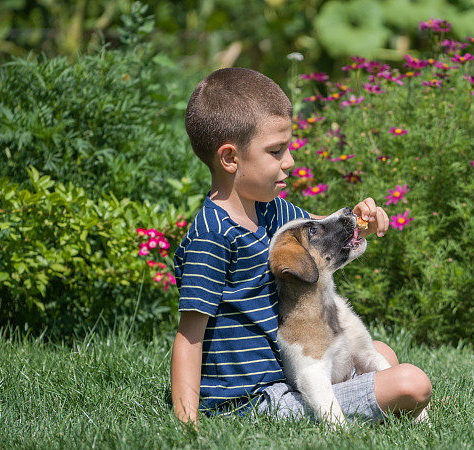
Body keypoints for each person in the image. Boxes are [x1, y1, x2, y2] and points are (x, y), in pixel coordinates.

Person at [170, 68, 431, 430]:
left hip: (289, 376)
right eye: (276, 151)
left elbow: (322, 231)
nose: (290, 162)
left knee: (384, 353)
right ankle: (362, 413)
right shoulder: (211, 236)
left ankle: (370, 404)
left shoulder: (270, 208)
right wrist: (186, 425)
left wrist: (360, 220)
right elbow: (189, 335)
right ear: (230, 159)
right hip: (251, 404)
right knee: (411, 382)